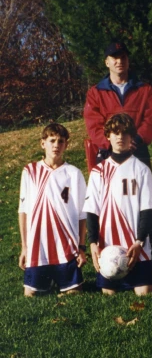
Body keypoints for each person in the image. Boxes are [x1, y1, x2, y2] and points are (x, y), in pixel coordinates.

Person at [85, 114, 152, 296]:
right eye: (115, 133)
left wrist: (140, 241)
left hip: (136, 245)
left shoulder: (141, 169)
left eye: (125, 133)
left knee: (143, 293)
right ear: (108, 136)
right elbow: (91, 211)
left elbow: (148, 210)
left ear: (131, 138)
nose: (120, 137)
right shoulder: (98, 171)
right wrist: (93, 243)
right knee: (108, 293)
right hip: (108, 244)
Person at [18, 123, 87, 296]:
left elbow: (82, 214)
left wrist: (81, 247)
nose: (56, 145)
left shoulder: (73, 173)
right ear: (43, 143)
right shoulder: (30, 171)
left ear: (66, 145)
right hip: (38, 246)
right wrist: (25, 247)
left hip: (65, 246)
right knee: (30, 295)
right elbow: (23, 211)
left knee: (74, 292)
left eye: (61, 141)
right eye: (52, 140)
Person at [83, 41, 152, 170]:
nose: (119, 61)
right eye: (115, 57)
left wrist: (136, 139)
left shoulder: (144, 90)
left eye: (123, 57)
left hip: (137, 150)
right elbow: (93, 125)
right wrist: (112, 143)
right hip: (108, 153)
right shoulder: (96, 93)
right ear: (107, 62)